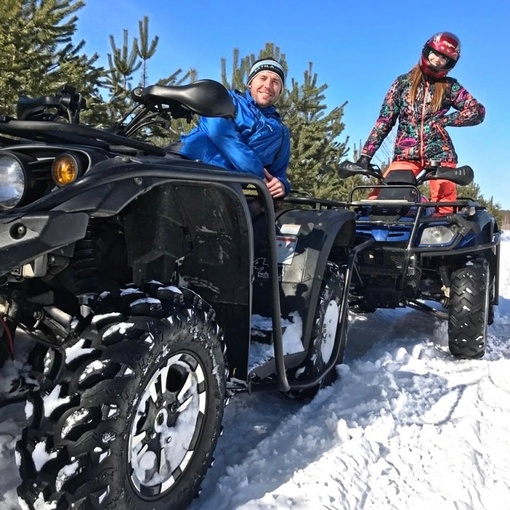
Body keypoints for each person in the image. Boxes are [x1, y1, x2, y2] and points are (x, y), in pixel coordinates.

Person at [356, 32, 485, 214]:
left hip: (441, 158)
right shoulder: (403, 83)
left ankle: (438, 240)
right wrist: (365, 156)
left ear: (450, 63)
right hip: (406, 155)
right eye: (436, 53)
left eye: (445, 58)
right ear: (427, 50)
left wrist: (444, 120)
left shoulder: (450, 86)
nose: (438, 60)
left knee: (443, 209)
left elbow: (478, 111)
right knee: (383, 198)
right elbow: (385, 120)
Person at [177, 57, 291, 200]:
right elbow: (219, 133)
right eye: (262, 78)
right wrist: (257, 172)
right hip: (183, 170)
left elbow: (278, 173)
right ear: (250, 83)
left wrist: (282, 185)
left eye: (275, 82)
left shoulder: (280, 133)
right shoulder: (228, 100)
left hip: (225, 194)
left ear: (280, 90)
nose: (268, 85)